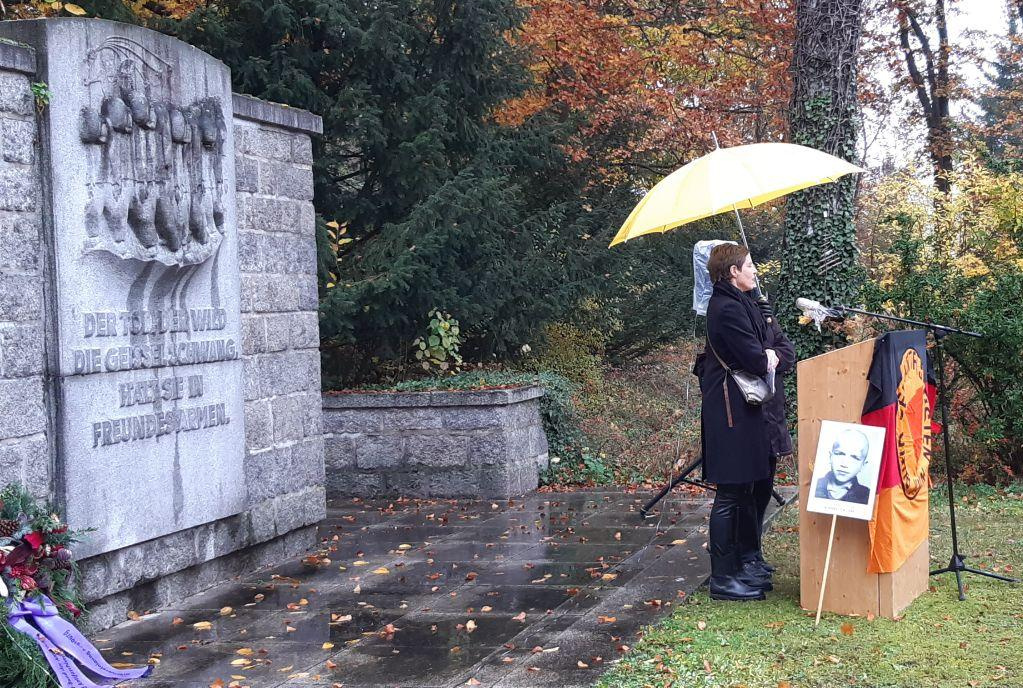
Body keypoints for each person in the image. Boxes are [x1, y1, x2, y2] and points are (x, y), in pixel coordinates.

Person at [699, 244, 778, 602]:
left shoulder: (744, 302)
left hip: (744, 410)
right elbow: (757, 358)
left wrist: (772, 351)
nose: (755, 270)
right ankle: (723, 577)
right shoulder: (726, 308)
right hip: (729, 411)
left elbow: (774, 348)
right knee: (730, 493)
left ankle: (740, 567)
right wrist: (770, 355)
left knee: (743, 489)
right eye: (749, 265)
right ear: (732, 271)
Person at [814, 428, 872, 505]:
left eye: (855, 457)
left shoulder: (866, 495)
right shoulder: (815, 486)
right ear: (830, 456)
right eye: (840, 454)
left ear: (863, 465)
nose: (844, 464)